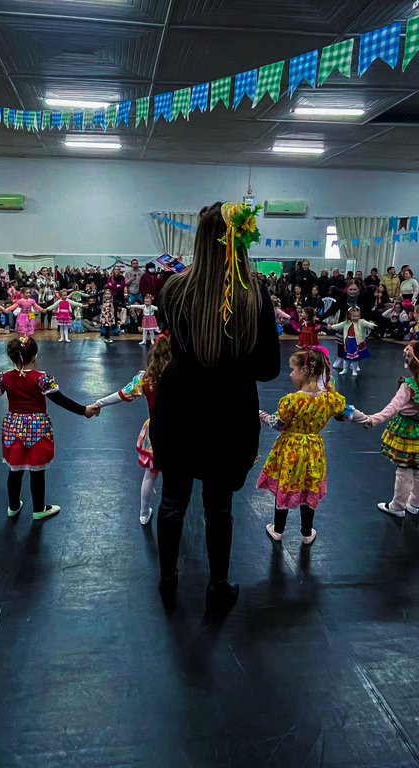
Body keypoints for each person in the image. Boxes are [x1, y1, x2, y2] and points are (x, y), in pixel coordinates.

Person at [150, 202, 280, 612]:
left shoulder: (172, 289)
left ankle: (167, 579)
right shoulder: (254, 293)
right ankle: (218, 585)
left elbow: (174, 340)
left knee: (172, 499)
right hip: (229, 409)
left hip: (178, 404)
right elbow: (268, 368)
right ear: (238, 240)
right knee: (219, 507)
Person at [0, 336, 99, 519]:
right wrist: (84, 410)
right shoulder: (42, 379)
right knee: (37, 470)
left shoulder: (4, 378)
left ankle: (13, 506)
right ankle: (39, 509)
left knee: (15, 470)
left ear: (11, 358)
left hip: (13, 429)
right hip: (37, 430)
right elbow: (60, 400)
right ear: (35, 356)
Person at [257, 347, 362, 545]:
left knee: (286, 486)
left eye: (293, 370)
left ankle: (278, 530)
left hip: (291, 451)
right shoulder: (329, 399)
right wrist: (368, 419)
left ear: (304, 372)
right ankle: (307, 532)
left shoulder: (292, 401)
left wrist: (263, 416)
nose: (290, 374)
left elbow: (278, 424)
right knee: (309, 485)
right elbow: (346, 414)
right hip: (313, 450)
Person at [354, 341, 419, 517]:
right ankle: (415, 505)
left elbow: (392, 408)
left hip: (406, 432)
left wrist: (372, 420)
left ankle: (397, 506)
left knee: (403, 469)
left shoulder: (409, 385)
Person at [93, 335, 173, 524]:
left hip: (156, 430)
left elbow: (121, 394)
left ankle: (144, 513)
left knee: (149, 475)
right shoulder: (180, 376)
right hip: (177, 432)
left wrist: (99, 403)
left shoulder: (146, 379)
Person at [330, 306, 375, 377]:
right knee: (346, 357)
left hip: (356, 342)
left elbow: (367, 324)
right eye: (354, 316)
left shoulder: (361, 322)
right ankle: (345, 369)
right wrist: (331, 327)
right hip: (348, 342)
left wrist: (372, 325)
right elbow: (338, 326)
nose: (356, 318)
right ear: (349, 316)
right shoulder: (346, 323)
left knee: (355, 357)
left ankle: (354, 370)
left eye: (357, 316)